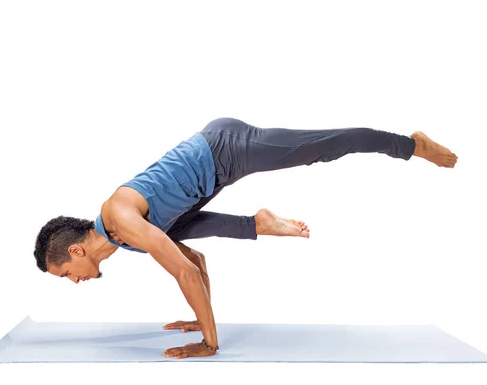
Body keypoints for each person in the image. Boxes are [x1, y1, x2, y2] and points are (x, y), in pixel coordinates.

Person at [33, 117, 458, 359]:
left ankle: (411, 145)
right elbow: (196, 262)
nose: (74, 281)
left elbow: (182, 272)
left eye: (66, 273)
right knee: (181, 230)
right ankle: (259, 222)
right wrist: (202, 319)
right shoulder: (125, 239)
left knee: (323, 147)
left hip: (224, 147)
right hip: (212, 175)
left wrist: (209, 343)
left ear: (75, 250)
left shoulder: (119, 218)